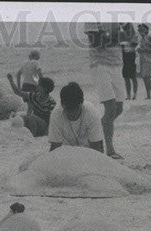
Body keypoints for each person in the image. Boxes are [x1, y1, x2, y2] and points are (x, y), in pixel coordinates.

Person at [84, 22, 125, 159]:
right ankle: (110, 149)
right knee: (110, 106)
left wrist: (109, 36)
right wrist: (116, 35)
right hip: (99, 64)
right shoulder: (92, 18)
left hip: (117, 64)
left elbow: (129, 37)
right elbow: (96, 42)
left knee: (119, 108)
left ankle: (95, 131)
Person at [48, 82, 103, 153]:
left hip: (89, 149)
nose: (72, 113)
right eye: (69, 109)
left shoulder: (91, 112)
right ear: (62, 104)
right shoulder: (56, 114)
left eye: (75, 109)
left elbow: (96, 146)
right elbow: (55, 146)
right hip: (68, 150)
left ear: (82, 103)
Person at [136, 25, 151, 99]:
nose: (140, 32)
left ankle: (150, 94)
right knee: (145, 78)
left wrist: (143, 50)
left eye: (141, 30)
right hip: (143, 60)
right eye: (139, 30)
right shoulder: (142, 39)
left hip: (147, 60)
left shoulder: (150, 38)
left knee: (146, 78)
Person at [120, 23, 139, 101]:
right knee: (126, 78)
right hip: (125, 56)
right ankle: (129, 95)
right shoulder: (123, 35)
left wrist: (124, 44)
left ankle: (134, 94)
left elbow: (134, 44)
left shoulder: (134, 35)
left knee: (133, 77)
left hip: (131, 55)